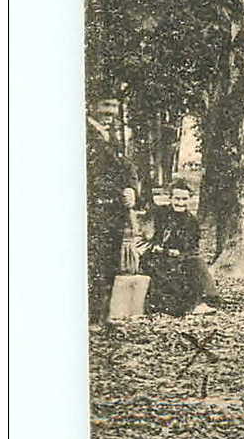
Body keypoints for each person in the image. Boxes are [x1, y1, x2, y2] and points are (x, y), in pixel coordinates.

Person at [87, 96, 138, 325]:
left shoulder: (113, 136)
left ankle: (102, 316)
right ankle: (91, 316)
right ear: (92, 105)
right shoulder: (83, 134)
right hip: (94, 210)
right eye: (105, 106)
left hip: (114, 212)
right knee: (93, 262)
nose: (110, 113)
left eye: (114, 108)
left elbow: (127, 167)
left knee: (109, 262)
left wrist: (132, 189)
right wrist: (119, 191)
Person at [142, 179, 215, 316]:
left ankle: (203, 300)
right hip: (156, 256)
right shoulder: (159, 214)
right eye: (177, 198)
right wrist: (157, 247)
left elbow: (193, 247)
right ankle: (177, 307)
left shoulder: (191, 221)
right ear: (170, 198)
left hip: (179, 257)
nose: (180, 203)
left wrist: (180, 254)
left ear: (189, 199)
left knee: (195, 263)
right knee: (164, 269)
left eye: (184, 199)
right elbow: (147, 236)